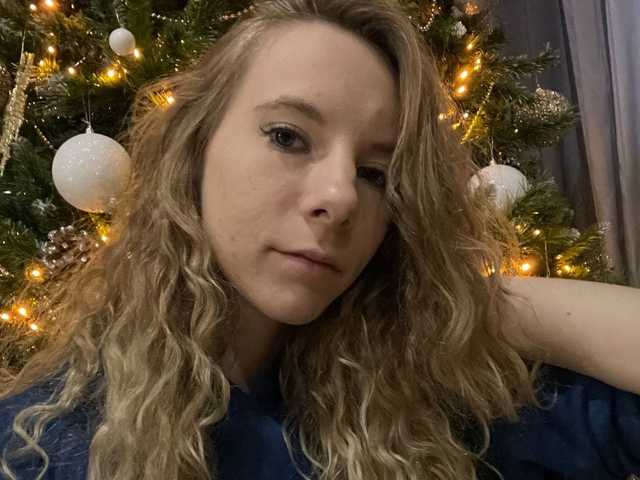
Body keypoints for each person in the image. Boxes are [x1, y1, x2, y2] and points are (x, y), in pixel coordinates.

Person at [0, 0, 638, 479]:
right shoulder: (44, 445)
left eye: (375, 173)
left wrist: (473, 303)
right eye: (288, 137)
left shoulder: (430, 406)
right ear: (194, 148)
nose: (340, 197)